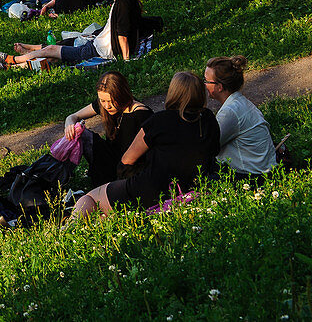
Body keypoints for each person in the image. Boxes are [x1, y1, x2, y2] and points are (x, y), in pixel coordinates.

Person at [71, 71, 220, 219]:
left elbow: (127, 160)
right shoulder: (208, 119)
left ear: (173, 92)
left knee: (90, 198)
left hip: (152, 187)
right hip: (192, 184)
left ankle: (68, 230)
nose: (106, 105)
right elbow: (214, 150)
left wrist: (124, 181)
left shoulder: (159, 120)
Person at [0, 0, 141, 69]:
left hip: (96, 50)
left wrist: (126, 61)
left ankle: (11, 60)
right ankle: (9, 67)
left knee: (50, 49)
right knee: (51, 57)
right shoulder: (125, 1)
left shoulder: (122, 3)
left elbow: (123, 33)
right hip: (95, 45)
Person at [63, 71, 153, 186]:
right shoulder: (108, 105)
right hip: (112, 159)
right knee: (80, 133)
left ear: (121, 95)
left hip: (130, 170)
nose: (106, 106)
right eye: (102, 101)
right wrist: (69, 122)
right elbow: (74, 116)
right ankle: (62, 178)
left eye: (110, 101)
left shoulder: (140, 114)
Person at [204, 55, 277, 177]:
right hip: (264, 170)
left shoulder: (230, 112)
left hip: (251, 177)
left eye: (206, 81)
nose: (204, 84)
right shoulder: (240, 102)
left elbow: (208, 146)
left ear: (219, 87)